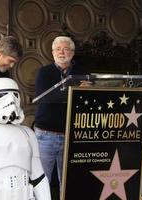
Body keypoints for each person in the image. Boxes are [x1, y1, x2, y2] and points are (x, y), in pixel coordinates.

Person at [34, 36, 91, 190]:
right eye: (58, 49)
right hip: (46, 135)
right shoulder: (44, 72)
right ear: (52, 52)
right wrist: (75, 91)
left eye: (65, 49)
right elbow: (44, 97)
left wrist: (71, 93)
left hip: (71, 135)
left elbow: (87, 99)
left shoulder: (82, 72)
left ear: (72, 53)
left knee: (68, 183)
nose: (61, 52)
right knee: (41, 180)